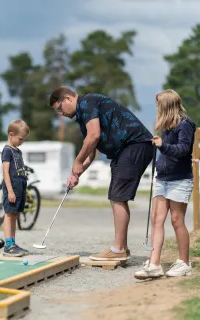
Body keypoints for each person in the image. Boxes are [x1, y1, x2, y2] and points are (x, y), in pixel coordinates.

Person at [49, 86, 154, 261]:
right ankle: (122, 248)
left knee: (118, 196)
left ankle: (118, 249)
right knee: (117, 196)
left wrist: (76, 161)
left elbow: (94, 136)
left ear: (67, 98)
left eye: (59, 108)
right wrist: (77, 174)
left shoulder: (88, 102)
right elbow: (92, 152)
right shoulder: (83, 116)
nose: (61, 114)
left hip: (134, 145)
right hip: (126, 150)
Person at [133, 89, 196, 279]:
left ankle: (184, 262)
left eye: (159, 104)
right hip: (163, 178)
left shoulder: (186, 125)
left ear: (167, 105)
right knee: (156, 220)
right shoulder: (166, 126)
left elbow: (184, 149)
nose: (157, 108)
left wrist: (163, 146)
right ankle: (154, 263)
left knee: (177, 220)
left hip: (180, 179)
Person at [1, 119, 30, 257]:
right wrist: (10, 191)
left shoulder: (18, 151)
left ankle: (13, 242)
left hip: (20, 186)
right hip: (11, 187)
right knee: (9, 214)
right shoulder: (7, 151)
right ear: (11, 134)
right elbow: (5, 172)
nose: (21, 142)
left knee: (15, 214)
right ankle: (8, 245)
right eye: (20, 139)